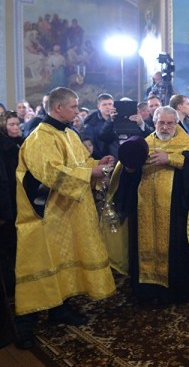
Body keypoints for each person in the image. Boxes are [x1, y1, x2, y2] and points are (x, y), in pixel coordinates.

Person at [13, 87, 116, 349]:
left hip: (66, 212)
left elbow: (80, 162)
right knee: (39, 264)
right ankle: (25, 325)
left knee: (64, 259)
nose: (77, 110)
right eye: (73, 106)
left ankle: (60, 308)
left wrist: (96, 163)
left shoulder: (69, 133)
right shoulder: (40, 138)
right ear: (58, 108)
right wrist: (89, 174)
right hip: (44, 215)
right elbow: (50, 173)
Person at [110, 107, 189, 305]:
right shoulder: (144, 144)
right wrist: (130, 167)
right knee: (143, 246)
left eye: (169, 123)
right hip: (144, 208)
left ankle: (177, 291)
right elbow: (127, 173)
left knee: (176, 248)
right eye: (161, 123)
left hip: (176, 211)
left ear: (176, 123)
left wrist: (171, 159)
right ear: (154, 122)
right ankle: (147, 290)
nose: (165, 127)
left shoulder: (185, 143)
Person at [0, 111, 23, 298]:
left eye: (17, 124)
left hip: (18, 201)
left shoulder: (18, 144)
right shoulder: (5, 148)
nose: (15, 128)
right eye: (11, 125)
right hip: (8, 204)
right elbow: (4, 182)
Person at [82, 93, 115, 158]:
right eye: (104, 105)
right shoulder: (91, 123)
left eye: (110, 104)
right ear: (98, 106)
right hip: (100, 159)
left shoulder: (118, 120)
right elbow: (91, 144)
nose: (108, 107)